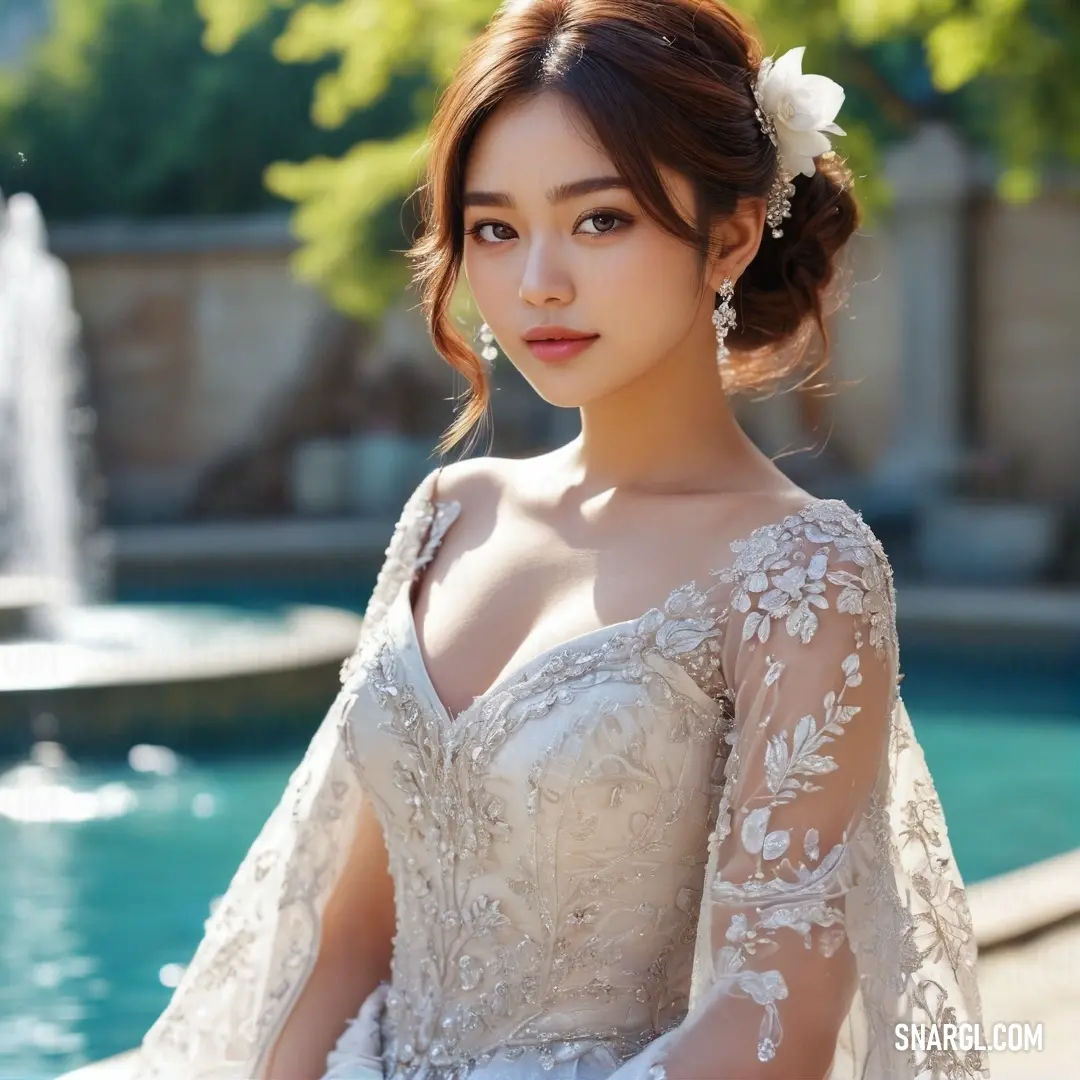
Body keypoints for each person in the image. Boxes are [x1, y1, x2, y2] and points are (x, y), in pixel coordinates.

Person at [132, 1, 986, 1078]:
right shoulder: (452, 513)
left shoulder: (801, 571)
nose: (537, 282)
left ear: (727, 236)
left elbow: (777, 1017)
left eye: (599, 220)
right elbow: (348, 944)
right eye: (495, 228)